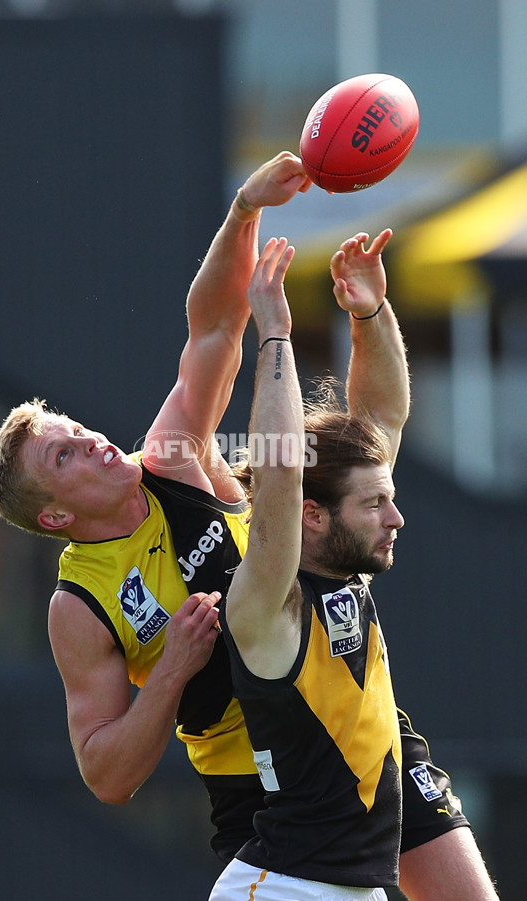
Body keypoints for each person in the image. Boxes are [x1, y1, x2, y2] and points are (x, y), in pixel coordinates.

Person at [0, 153, 497, 900]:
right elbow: (107, 773)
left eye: (78, 426)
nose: (93, 439)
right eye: (66, 453)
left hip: (354, 721)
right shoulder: (80, 602)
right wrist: (175, 669)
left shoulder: (174, 458)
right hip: (264, 784)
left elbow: (215, 327)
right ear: (55, 514)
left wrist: (245, 211)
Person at [209, 235, 401, 900]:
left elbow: (384, 415)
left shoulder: (349, 562)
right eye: (376, 504)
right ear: (312, 514)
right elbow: (282, 470)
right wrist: (276, 331)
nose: (395, 516)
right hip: (287, 887)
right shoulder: (269, 601)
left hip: (350, 887)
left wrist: (370, 312)